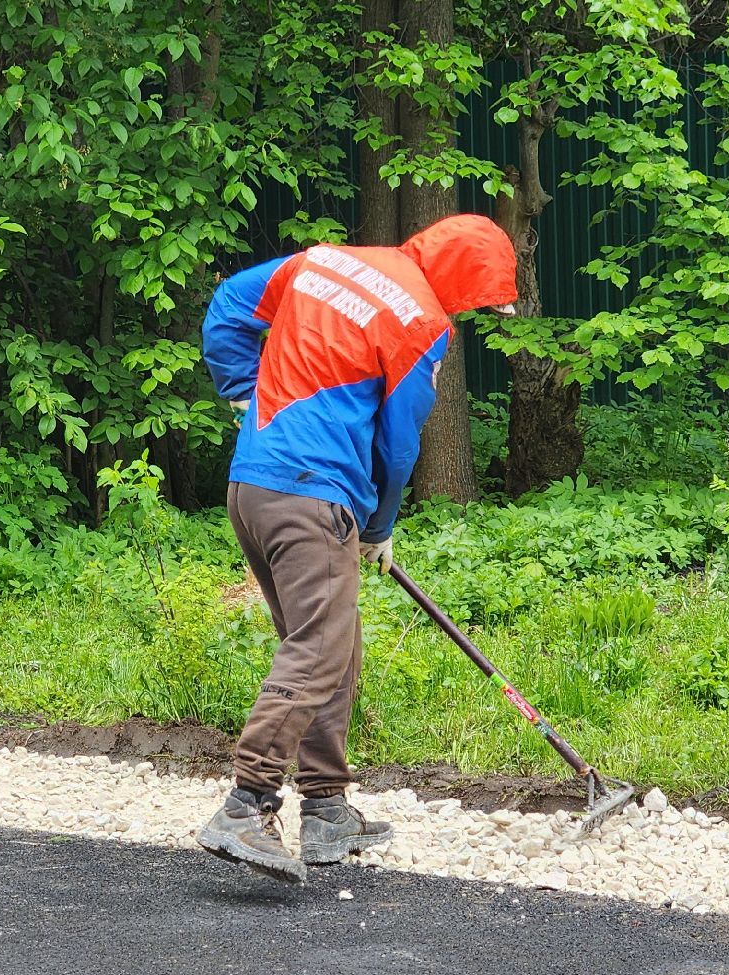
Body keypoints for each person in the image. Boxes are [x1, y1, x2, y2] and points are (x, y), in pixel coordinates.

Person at [195, 213, 519, 883]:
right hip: (314, 495)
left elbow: (227, 307)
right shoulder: (422, 320)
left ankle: (327, 811)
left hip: (253, 488)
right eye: (481, 296)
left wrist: (243, 391)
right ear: (462, 278)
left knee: (332, 643)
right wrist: (378, 525)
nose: (474, 310)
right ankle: (246, 805)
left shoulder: (322, 262)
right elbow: (400, 445)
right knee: (317, 650)